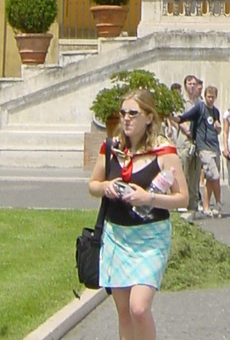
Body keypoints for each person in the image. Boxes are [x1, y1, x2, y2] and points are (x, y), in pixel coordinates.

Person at [89, 88, 189, 340]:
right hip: (116, 236)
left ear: (149, 117)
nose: (126, 119)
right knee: (124, 312)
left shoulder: (164, 151)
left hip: (150, 237)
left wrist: (149, 198)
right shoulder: (111, 147)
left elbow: (183, 198)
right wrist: (106, 187)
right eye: (123, 113)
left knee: (139, 308)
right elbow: (92, 185)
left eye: (133, 113)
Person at [172, 75, 205, 217]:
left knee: (195, 173)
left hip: (197, 142)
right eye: (189, 83)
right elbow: (178, 119)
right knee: (183, 171)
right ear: (185, 86)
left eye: (194, 83)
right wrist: (188, 130)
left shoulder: (200, 102)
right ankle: (182, 202)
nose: (192, 86)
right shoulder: (180, 102)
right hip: (184, 141)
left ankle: (193, 202)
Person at [198, 85, 223, 215]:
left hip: (214, 146)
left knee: (210, 178)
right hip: (204, 147)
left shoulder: (216, 112)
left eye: (213, 97)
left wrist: (218, 128)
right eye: (208, 97)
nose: (210, 100)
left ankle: (206, 206)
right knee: (215, 176)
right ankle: (218, 203)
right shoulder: (201, 109)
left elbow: (217, 128)